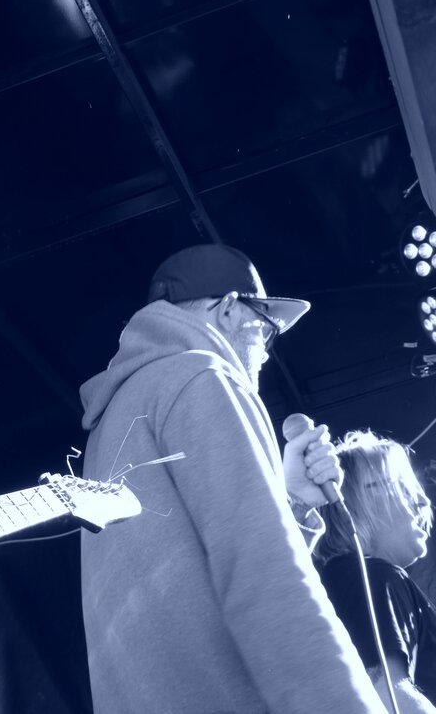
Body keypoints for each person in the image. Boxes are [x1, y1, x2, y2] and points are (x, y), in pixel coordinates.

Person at [79, 243, 387, 713]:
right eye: (265, 329)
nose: (266, 350)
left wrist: (292, 501)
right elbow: (267, 577)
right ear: (227, 309)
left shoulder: (111, 422)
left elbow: (183, 577)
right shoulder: (202, 375)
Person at [316, 431, 436, 713]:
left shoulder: (349, 577)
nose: (423, 502)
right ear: (355, 503)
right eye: (403, 487)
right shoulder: (375, 577)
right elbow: (389, 696)